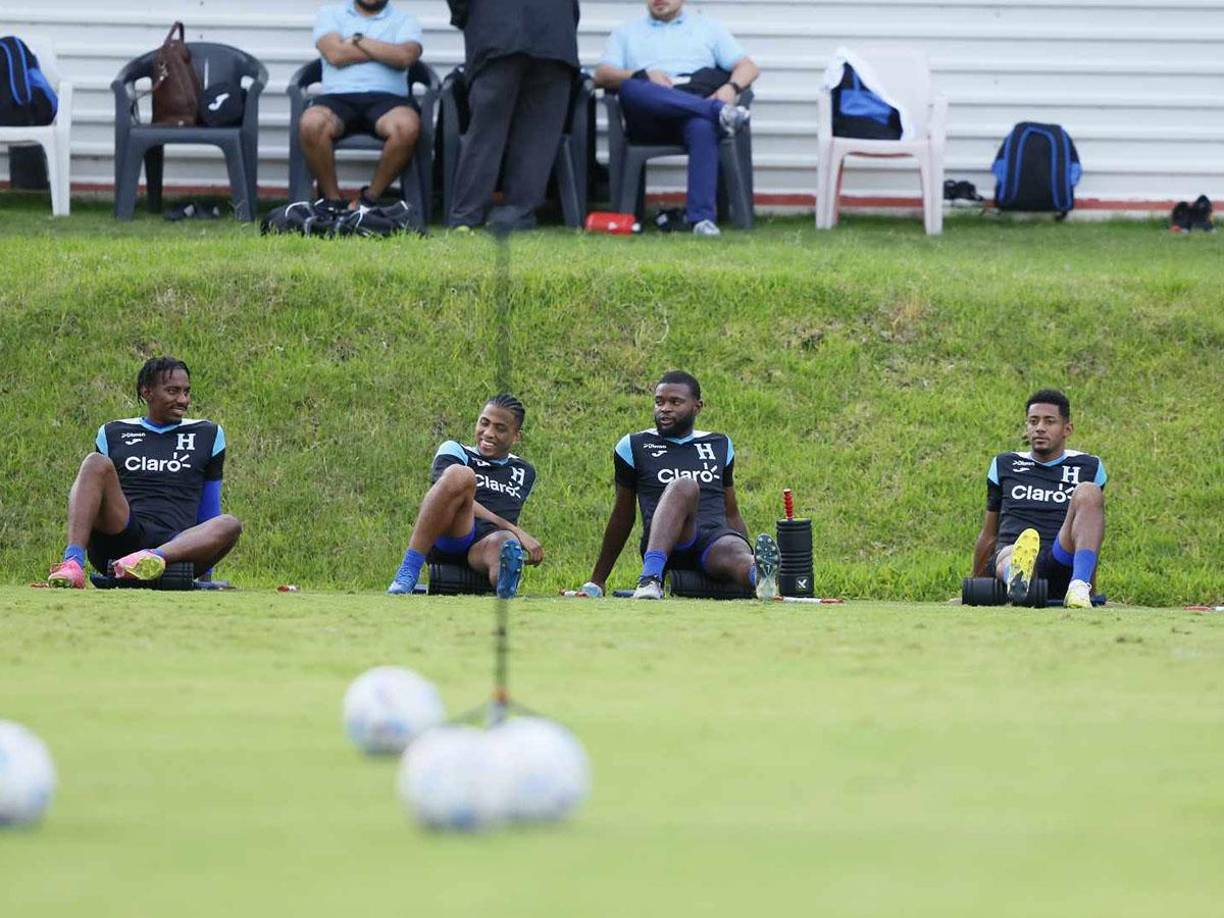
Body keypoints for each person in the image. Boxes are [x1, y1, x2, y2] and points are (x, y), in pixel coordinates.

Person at [579, 371, 779, 600]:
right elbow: (623, 516)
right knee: (684, 486)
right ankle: (650, 581)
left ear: (697, 406)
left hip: (714, 542)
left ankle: (759, 577)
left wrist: (746, 548)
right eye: (659, 401)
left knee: (735, 551)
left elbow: (731, 511)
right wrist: (597, 580)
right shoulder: (633, 445)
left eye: (675, 402)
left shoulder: (720, 444)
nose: (664, 408)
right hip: (670, 543)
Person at [46, 358, 242, 588]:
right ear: (147, 391)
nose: (183, 400)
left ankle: (149, 560)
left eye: (186, 392)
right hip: (121, 538)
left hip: (178, 547)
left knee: (229, 523)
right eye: (173, 391)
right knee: (94, 463)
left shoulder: (208, 434)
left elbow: (209, 511)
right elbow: (96, 499)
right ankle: (73, 564)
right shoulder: (113, 432)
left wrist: (204, 577)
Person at [594, 0, 759, 237]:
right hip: (648, 115)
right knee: (631, 87)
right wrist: (642, 74)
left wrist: (731, 88)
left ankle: (701, 220)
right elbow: (601, 75)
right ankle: (717, 111)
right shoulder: (626, 32)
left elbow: (748, 67)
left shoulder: (708, 28)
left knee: (702, 127)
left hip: (691, 108)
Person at [446, 0, 581, 230]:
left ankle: (466, 216)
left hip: (498, 31)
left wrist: (467, 18)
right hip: (554, 36)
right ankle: (516, 214)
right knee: (538, 137)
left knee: (485, 133)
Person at [388, 395, 541, 597]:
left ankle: (504, 585)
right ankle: (408, 571)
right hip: (454, 534)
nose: (489, 433)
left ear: (516, 437)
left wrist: (510, 534)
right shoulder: (455, 451)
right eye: (484, 423)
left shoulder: (524, 471)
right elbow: (441, 494)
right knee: (461, 475)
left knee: (507, 546)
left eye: (500, 428)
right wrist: (514, 529)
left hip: (485, 545)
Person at [971, 389, 1107, 609]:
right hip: (1012, 550)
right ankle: (1018, 578)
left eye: (1049, 421)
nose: (1040, 428)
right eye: (1033, 421)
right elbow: (989, 533)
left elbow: (1090, 532)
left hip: (1060, 556)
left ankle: (1078, 588)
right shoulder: (1004, 464)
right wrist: (974, 588)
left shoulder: (1089, 466)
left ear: (1067, 429)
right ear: (1027, 427)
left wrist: (1092, 589)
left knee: (1089, 491)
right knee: (1010, 553)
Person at [299, 0, 424, 209]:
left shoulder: (406, 20)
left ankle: (368, 200)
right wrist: (385, 51)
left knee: (407, 126)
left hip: (388, 100)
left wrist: (357, 40)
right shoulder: (330, 14)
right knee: (311, 123)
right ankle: (333, 202)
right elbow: (335, 55)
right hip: (337, 98)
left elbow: (404, 57)